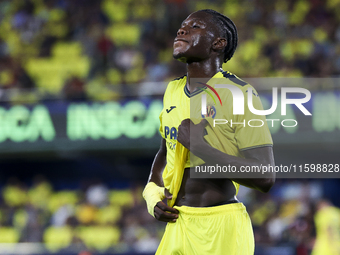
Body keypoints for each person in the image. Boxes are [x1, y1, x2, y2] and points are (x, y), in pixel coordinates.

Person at [143, 9, 275, 255]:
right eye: (182, 25)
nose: (182, 30)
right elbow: (165, 153)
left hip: (221, 228)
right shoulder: (172, 90)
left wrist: (201, 148)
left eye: (195, 27)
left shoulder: (239, 94)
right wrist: (152, 196)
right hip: (178, 224)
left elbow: (264, 176)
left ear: (219, 43)